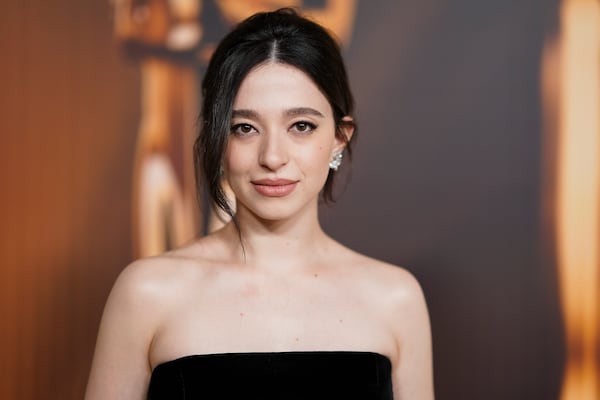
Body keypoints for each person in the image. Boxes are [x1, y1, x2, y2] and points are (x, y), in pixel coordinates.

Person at [85, 8, 434, 400]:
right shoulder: (147, 292)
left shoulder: (395, 298)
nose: (272, 156)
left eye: (301, 126)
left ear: (340, 137)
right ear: (218, 138)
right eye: (245, 128)